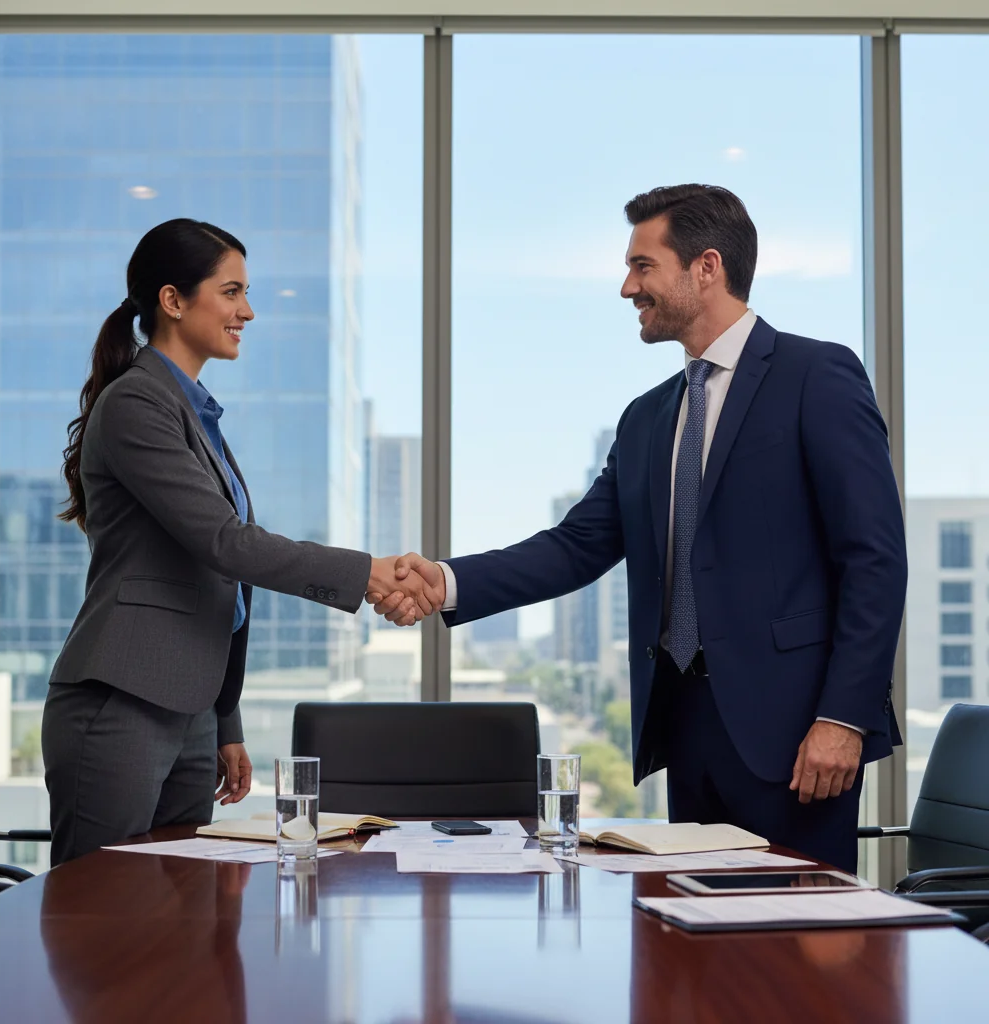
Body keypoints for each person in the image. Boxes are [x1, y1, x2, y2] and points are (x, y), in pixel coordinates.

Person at [371, 185, 907, 873]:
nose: (628, 287)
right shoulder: (647, 417)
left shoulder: (817, 375)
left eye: (643, 266)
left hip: (800, 737)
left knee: (796, 951)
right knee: (693, 949)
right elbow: (576, 546)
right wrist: (443, 582)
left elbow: (875, 559)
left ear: (705, 267)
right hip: (685, 730)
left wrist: (844, 717)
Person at [43, 218, 432, 865]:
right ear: (173, 300)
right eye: (231, 292)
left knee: (180, 923)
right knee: (101, 920)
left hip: (186, 710)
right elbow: (225, 543)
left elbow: (220, 583)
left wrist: (224, 720)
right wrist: (366, 571)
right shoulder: (137, 402)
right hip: (122, 700)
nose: (247, 311)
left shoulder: (193, 411)